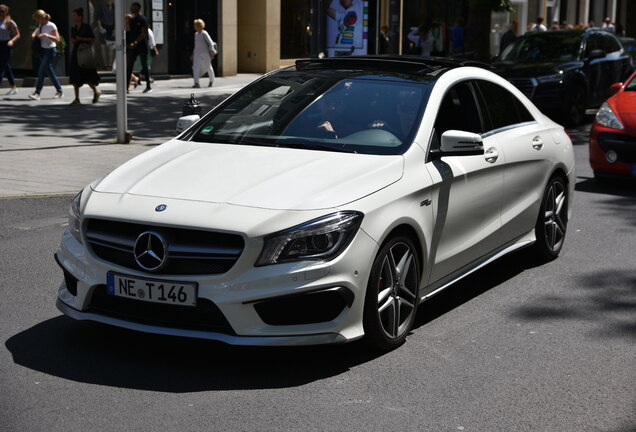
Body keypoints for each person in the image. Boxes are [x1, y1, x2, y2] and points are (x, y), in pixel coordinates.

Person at [68, 8, 100, 105]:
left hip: (84, 54)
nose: (72, 17)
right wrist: (73, 41)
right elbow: (72, 39)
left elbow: (93, 39)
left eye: (74, 15)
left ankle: (96, 91)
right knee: (74, 76)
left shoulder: (86, 27)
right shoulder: (73, 28)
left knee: (87, 76)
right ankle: (77, 98)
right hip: (76, 53)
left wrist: (81, 39)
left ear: (80, 17)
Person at [29, 9, 63, 100]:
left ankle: (37, 93)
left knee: (41, 71)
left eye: (37, 19)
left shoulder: (51, 25)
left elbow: (57, 39)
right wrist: (33, 35)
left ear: (41, 18)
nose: (36, 21)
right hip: (42, 50)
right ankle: (59, 91)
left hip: (50, 50)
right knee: (50, 72)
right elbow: (35, 32)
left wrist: (46, 35)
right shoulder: (40, 25)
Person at [126, 2, 151, 93]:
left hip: (141, 46)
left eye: (133, 7)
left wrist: (135, 42)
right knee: (129, 67)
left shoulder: (143, 19)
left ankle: (148, 85)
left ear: (137, 8)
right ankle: (126, 86)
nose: (131, 8)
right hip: (133, 47)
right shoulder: (132, 20)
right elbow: (129, 32)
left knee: (144, 66)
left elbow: (143, 33)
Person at [0, 4, 19, 95]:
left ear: (6, 12)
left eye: (2, 12)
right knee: (6, 66)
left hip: (6, 44)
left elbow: (18, 34)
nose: (1, 13)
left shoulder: (10, 22)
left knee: (1, 66)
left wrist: (12, 41)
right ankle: (13, 87)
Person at [191, 18, 215, 88]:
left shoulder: (204, 33)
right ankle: (196, 83)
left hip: (205, 53)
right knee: (195, 67)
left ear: (199, 25)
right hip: (197, 53)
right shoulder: (196, 34)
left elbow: (210, 43)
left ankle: (211, 80)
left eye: (195, 25)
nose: (194, 26)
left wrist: (211, 52)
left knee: (208, 67)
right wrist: (193, 54)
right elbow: (196, 45)